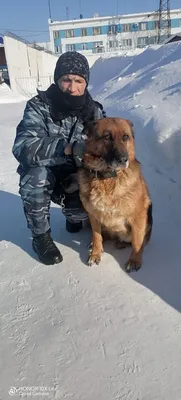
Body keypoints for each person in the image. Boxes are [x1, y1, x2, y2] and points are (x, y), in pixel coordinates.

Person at [12, 51, 105, 265]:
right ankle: (41, 238)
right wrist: (68, 148)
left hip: (76, 177)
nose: (72, 87)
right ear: (57, 80)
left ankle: (75, 217)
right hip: (49, 175)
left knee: (84, 205)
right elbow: (23, 147)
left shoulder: (95, 112)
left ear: (85, 83)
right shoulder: (39, 106)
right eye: (66, 80)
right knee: (34, 174)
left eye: (79, 81)